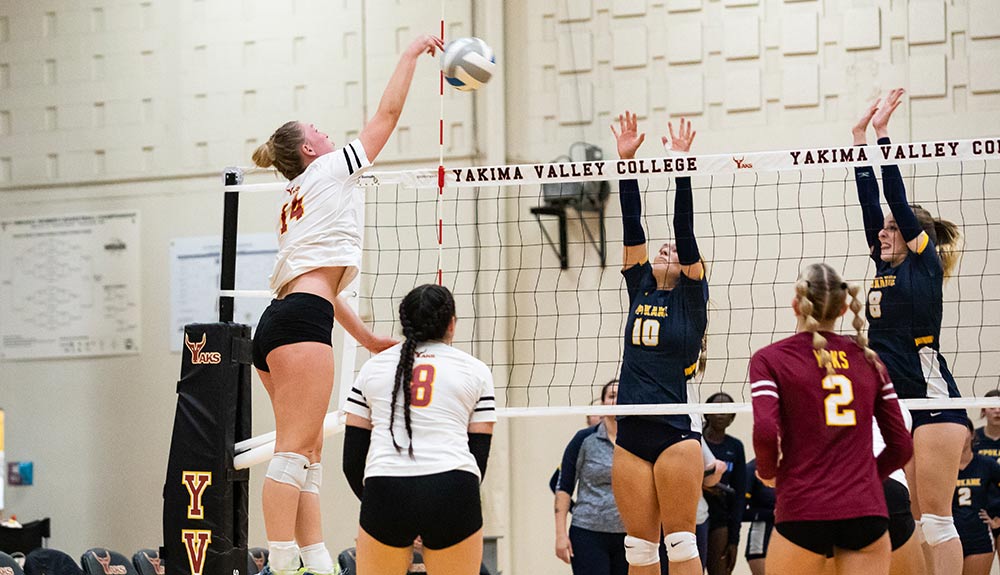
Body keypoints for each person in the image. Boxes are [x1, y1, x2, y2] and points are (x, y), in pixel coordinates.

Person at [249, 33, 443, 575]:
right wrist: (407, 55)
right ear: (309, 150)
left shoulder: (298, 194)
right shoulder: (330, 171)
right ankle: (282, 562)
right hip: (300, 325)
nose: (328, 135)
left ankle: (312, 558)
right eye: (319, 132)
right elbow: (387, 113)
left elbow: (324, 285)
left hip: (285, 321)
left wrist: (367, 340)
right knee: (292, 452)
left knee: (308, 453)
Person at [852, 88, 965, 575]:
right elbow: (869, 202)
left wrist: (882, 136)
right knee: (914, 518)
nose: (882, 231)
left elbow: (894, 197)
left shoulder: (923, 263)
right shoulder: (883, 260)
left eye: (892, 227)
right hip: (894, 401)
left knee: (938, 520)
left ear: (913, 234)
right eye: (881, 228)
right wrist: (857, 139)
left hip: (930, 399)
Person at [750, 262, 913, 575]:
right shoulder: (870, 360)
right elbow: (902, 446)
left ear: (796, 303)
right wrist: (864, 478)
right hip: (865, 509)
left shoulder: (770, 359)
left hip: (803, 506)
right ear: (842, 309)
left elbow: (767, 431)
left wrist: (769, 472)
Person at [608, 111, 708, 575]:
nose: (666, 250)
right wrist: (625, 163)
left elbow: (684, 231)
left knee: (682, 543)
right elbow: (633, 226)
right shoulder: (639, 286)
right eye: (661, 250)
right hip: (631, 430)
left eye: (673, 251)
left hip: (675, 430)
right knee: (639, 551)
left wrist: (680, 169)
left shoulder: (692, 295)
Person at [341, 284, 496, 575]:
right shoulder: (475, 370)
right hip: (452, 488)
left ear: (405, 323)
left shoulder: (373, 369)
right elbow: (479, 456)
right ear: (451, 324)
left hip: (386, 487)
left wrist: (380, 505)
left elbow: (352, 461)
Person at [554, 380, 627, 575]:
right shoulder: (584, 439)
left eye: (621, 395)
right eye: (611, 396)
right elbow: (563, 486)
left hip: (631, 535)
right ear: (603, 404)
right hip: (588, 533)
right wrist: (560, 534)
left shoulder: (640, 441)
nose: (616, 400)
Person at [701, 392, 746, 575]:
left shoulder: (735, 447)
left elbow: (739, 494)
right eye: (716, 408)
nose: (721, 414)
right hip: (693, 513)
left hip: (721, 518)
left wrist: (734, 540)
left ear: (732, 417)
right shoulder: (695, 441)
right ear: (706, 413)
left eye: (726, 410)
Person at [953, 418, 1000, 575]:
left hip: (978, 538)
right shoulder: (942, 466)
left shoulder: (987, 464)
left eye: (964, 429)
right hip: (949, 537)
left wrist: (997, 518)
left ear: (972, 434)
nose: (959, 434)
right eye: (955, 430)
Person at [973, 389, 1000, 563]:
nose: (997, 411)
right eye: (992, 407)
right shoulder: (974, 439)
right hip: (981, 515)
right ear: (983, 410)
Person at [743, 459, 775, 575]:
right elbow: (738, 512)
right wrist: (771, 514)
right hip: (762, 542)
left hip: (788, 541)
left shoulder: (792, 467)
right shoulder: (751, 469)